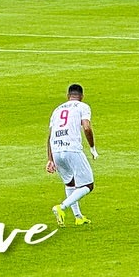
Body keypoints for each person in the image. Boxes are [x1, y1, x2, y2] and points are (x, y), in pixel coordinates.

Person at [47, 84, 98, 228]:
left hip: (56, 149)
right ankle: (61, 207)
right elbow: (86, 127)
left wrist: (50, 159)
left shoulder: (57, 110)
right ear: (81, 96)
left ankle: (78, 217)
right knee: (88, 185)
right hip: (72, 149)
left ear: (67, 95)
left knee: (70, 183)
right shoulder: (82, 107)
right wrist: (92, 147)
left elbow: (50, 135)